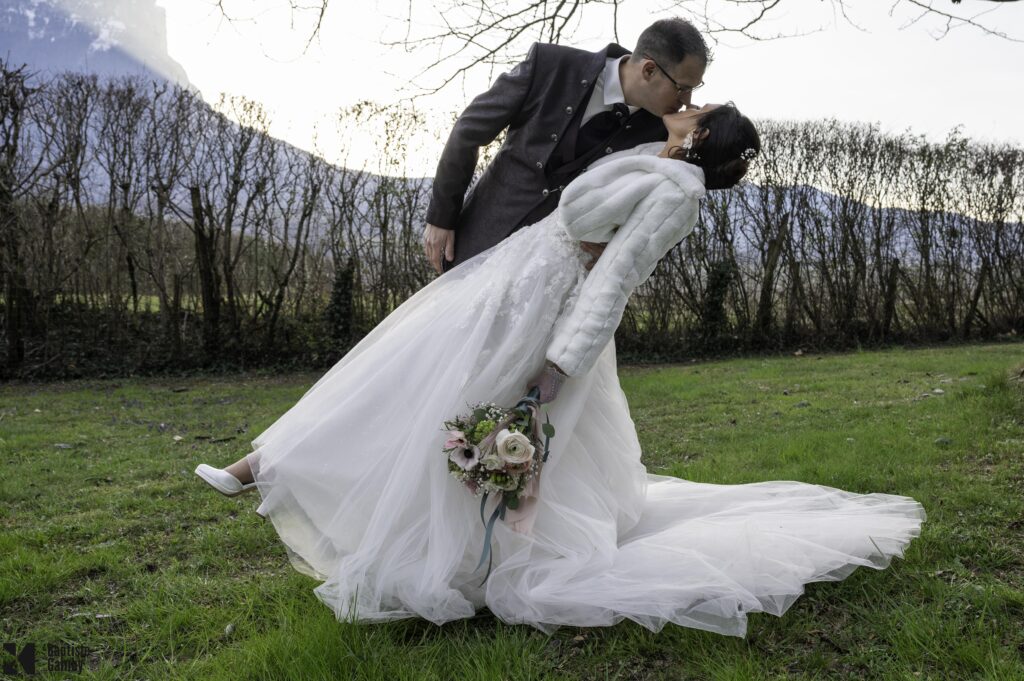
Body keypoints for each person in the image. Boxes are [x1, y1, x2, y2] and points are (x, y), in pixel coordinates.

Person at [195, 104, 925, 636]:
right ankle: (273, 462)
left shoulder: (676, 193)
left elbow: (614, 280)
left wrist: (555, 370)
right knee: (409, 377)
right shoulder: (660, 169)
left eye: (698, 108)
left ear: (701, 133)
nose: (685, 105)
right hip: (517, 280)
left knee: (450, 403)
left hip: (545, 310)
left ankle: (373, 519)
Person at [422, 18, 710, 275]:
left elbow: (665, 216)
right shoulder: (550, 65)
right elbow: (469, 130)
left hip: (546, 278)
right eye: (683, 86)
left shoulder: (664, 134)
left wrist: (625, 257)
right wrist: (441, 218)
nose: (687, 99)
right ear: (649, 70)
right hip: (476, 244)